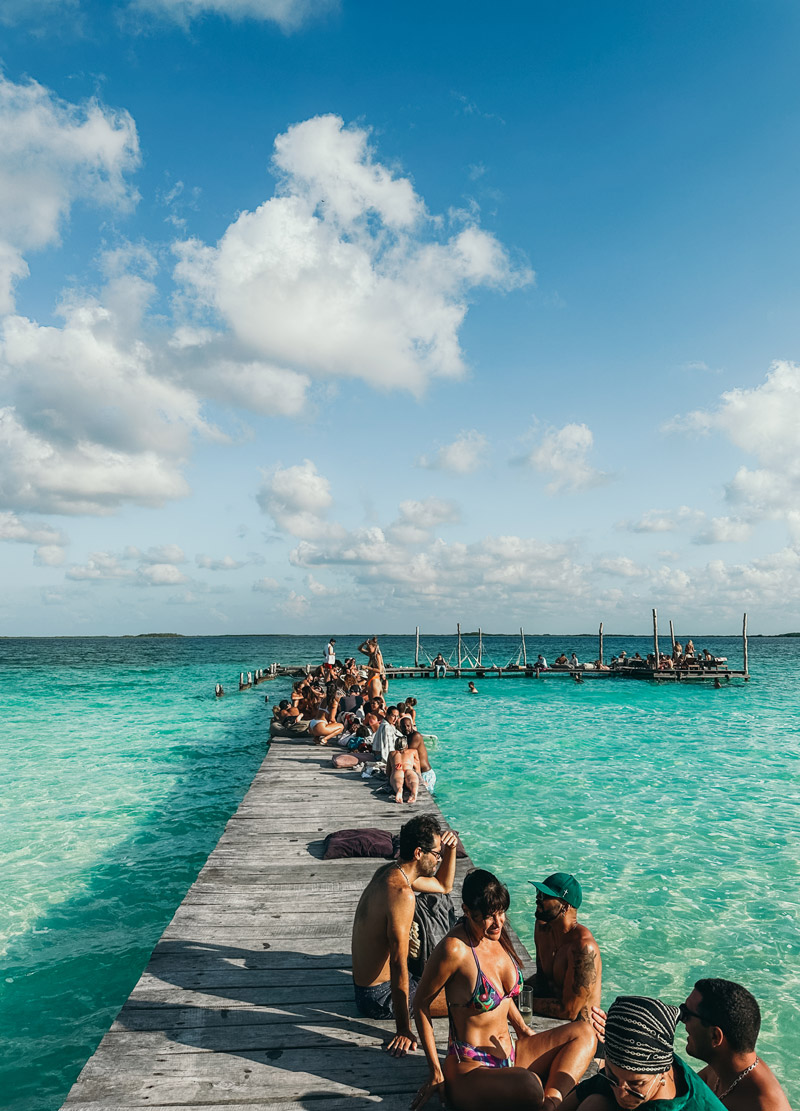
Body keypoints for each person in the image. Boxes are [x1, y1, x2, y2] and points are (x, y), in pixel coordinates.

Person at [412, 870, 596, 1111]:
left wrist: (522, 1029)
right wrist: (436, 1072)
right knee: (530, 1086)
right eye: (488, 916)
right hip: (471, 1069)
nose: (498, 922)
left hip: (511, 1054)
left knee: (584, 1033)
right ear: (467, 911)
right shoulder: (454, 949)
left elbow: (503, 997)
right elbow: (420, 1004)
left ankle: (551, 1104)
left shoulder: (496, 935)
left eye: (501, 912)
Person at [351, 815, 458, 1055]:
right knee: (466, 995)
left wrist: (450, 849)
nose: (438, 859)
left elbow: (443, 887)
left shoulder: (391, 871)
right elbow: (399, 964)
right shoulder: (401, 894)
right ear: (419, 853)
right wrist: (403, 1029)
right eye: (437, 854)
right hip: (379, 997)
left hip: (374, 986)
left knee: (438, 901)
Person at [564, 996, 725, 1108]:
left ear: (662, 1074)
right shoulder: (631, 1074)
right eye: (612, 1078)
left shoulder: (668, 1105)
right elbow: (587, 1089)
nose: (621, 1093)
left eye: (636, 1084)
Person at [681, 979, 790, 1109]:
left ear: (715, 1036)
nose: (682, 1020)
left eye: (687, 1014)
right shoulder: (722, 1068)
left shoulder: (764, 1105)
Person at [528, 873, 601, 1022]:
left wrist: (520, 1000)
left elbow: (569, 1010)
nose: (538, 898)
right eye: (538, 893)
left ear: (565, 906)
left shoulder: (584, 948)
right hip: (551, 1021)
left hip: (582, 1033)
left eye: (544, 896)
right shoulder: (542, 928)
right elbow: (542, 981)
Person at [388, 736, 421, 803]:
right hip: (409, 770)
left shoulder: (391, 753)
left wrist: (391, 778)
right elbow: (417, 768)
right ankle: (414, 791)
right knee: (413, 781)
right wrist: (419, 777)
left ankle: (399, 790)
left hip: (398, 770)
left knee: (397, 781)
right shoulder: (413, 751)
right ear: (406, 745)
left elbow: (388, 771)